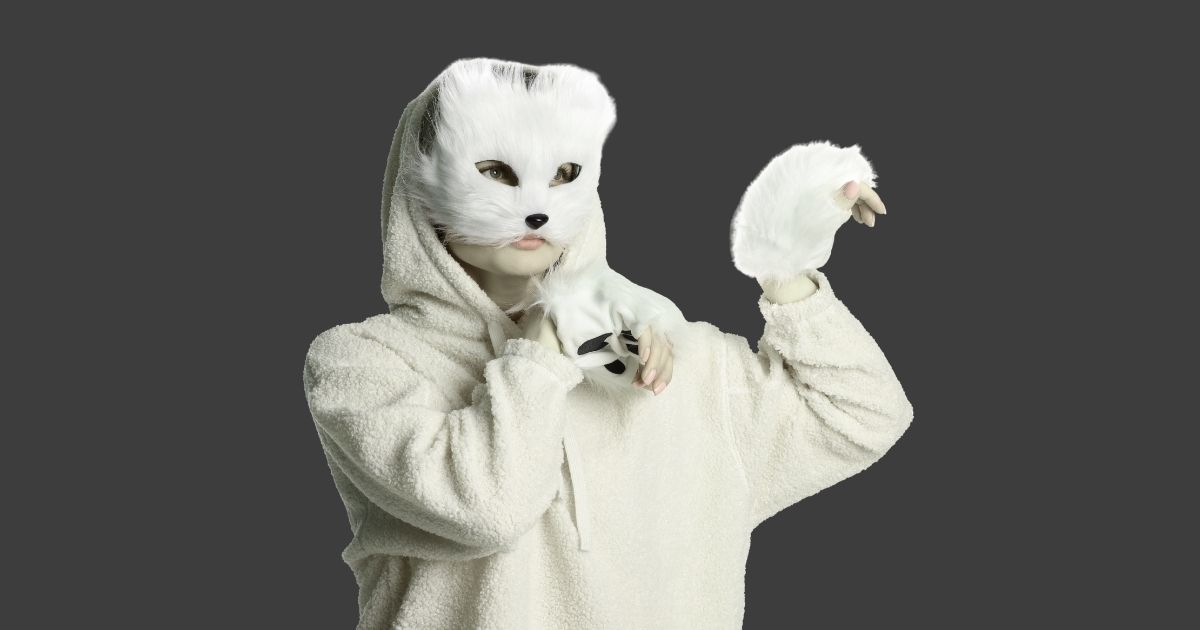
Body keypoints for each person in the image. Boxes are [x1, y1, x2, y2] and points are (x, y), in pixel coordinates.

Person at [302, 57, 913, 630]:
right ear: (421, 181)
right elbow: (489, 509)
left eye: (563, 174)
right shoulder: (362, 363)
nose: (534, 206)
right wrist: (543, 345)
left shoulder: (675, 358)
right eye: (495, 172)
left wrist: (786, 269)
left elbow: (864, 415)